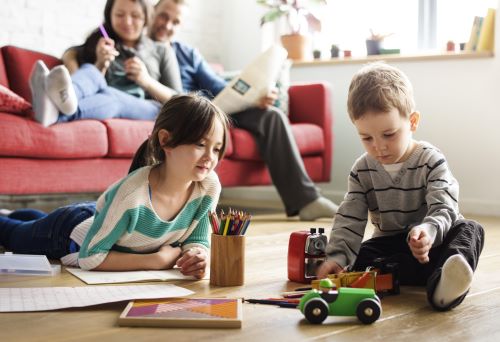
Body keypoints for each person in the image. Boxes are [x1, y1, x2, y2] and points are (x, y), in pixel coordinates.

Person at [145, 0, 338, 221]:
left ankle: (307, 200)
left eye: (175, 21)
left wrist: (255, 98)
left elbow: (219, 88)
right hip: (184, 115)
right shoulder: (141, 50)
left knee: (271, 116)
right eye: (163, 17)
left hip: (213, 110)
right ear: (152, 14)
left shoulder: (187, 53)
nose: (167, 25)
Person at [0, 93, 231, 278]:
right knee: (12, 234)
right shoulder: (132, 194)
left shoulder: (208, 187)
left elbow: (198, 240)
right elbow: (91, 257)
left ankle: (23, 215)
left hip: (101, 219)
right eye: (201, 144)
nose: (210, 157)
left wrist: (198, 255)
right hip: (67, 232)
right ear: (166, 141)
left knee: (32, 221)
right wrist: (154, 261)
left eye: (217, 148)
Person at [316, 62, 484, 311]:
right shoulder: (362, 170)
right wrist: (338, 258)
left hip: (435, 243)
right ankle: (414, 276)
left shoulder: (430, 160)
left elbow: (444, 207)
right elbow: (350, 217)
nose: (378, 147)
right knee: (361, 255)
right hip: (394, 247)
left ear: (413, 122)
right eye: (366, 138)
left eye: (389, 134)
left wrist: (428, 230)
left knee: (470, 230)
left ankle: (445, 284)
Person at [31, 0, 183, 127]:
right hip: (102, 99)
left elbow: (179, 100)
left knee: (112, 95)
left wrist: (146, 81)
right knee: (92, 71)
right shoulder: (100, 43)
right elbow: (72, 53)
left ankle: (55, 113)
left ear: (146, 18)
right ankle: (58, 97)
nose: (127, 22)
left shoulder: (161, 51)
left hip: (150, 107)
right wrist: (100, 64)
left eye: (135, 16)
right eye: (119, 15)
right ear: (109, 16)